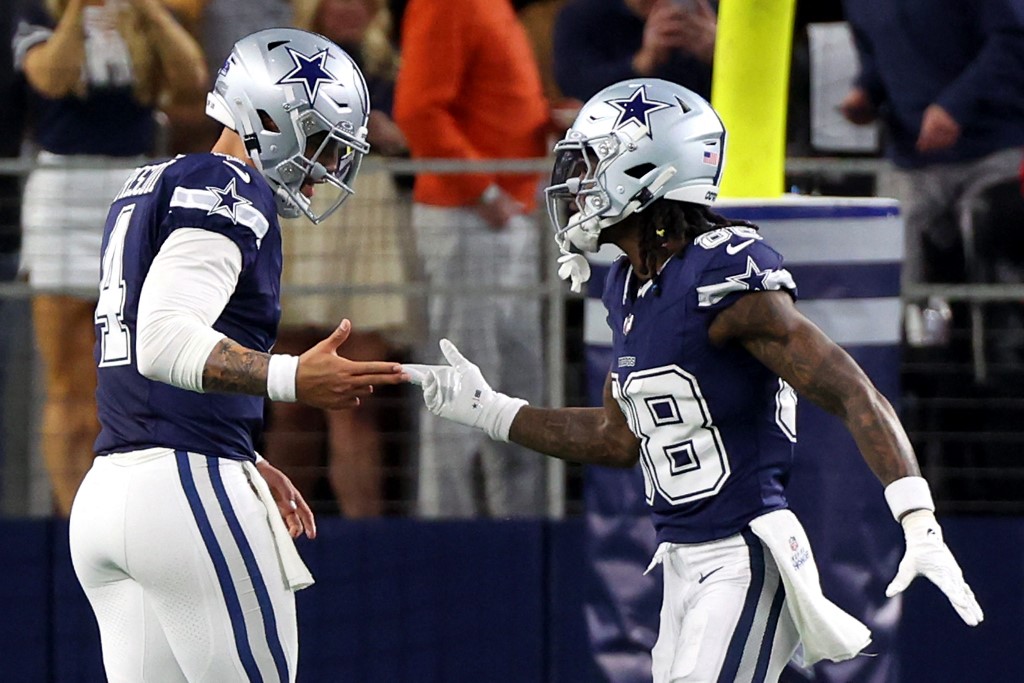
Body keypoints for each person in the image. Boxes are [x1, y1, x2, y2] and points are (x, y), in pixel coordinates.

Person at [406, 79, 983, 682]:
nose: (574, 186)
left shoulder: (724, 274)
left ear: (647, 167)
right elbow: (615, 437)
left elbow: (850, 390)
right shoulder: (628, 283)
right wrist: (492, 411)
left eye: (592, 164)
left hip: (747, 557)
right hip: (681, 564)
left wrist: (917, 517)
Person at [68, 28, 409, 681]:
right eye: (320, 139)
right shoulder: (231, 185)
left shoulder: (153, 182)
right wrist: (292, 376)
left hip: (111, 491)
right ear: (270, 118)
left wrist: (246, 450)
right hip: (186, 492)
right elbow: (163, 340)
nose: (328, 164)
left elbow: (145, 348)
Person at [13, 0, 207, 515]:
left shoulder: (150, 11)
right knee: (67, 379)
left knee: (131, 366)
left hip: (133, 183)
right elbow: (49, 79)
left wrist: (145, 9)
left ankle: (122, 510)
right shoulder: (40, 12)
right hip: (62, 190)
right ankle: (73, 514)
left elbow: (192, 78)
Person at [393, 0, 554, 518]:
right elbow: (417, 110)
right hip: (472, 218)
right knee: (458, 389)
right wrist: (484, 193)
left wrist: (548, 120)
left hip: (503, 216)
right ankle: (448, 540)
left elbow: (496, 103)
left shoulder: (492, 7)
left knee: (514, 390)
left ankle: (521, 538)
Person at [265, 0, 413, 517]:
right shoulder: (278, 65)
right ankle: (270, 535)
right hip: (300, 210)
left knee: (355, 405)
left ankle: (364, 544)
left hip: (366, 213)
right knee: (292, 407)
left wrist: (392, 137)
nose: (349, 8)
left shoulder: (392, 65)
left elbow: (413, 138)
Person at [839, 0, 1024, 340]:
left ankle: (1003, 365)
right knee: (892, 253)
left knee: (991, 239)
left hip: (996, 147)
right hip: (913, 157)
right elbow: (875, 52)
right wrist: (865, 92)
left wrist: (956, 106)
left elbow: (1013, 38)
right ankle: (913, 367)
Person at [553, 0, 716, 102]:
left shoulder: (714, 12)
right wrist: (641, 64)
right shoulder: (583, 16)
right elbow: (575, 87)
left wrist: (718, 52)